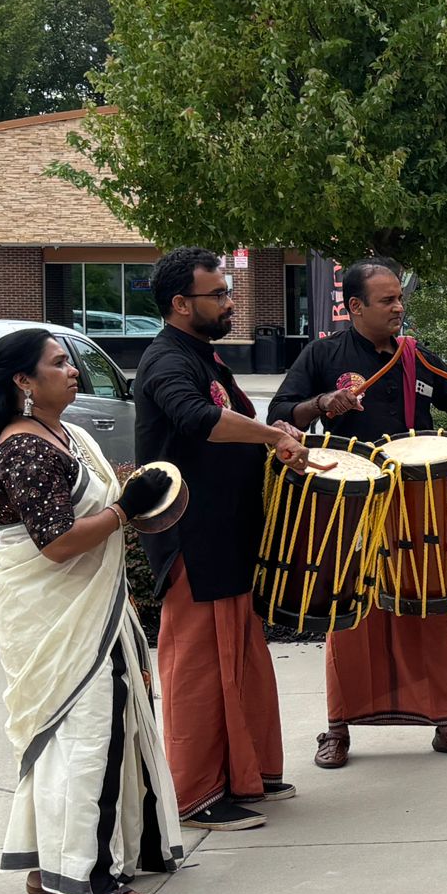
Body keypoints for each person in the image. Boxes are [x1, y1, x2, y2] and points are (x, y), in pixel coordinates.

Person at [0, 329, 186, 894]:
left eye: (70, 361)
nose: (72, 371)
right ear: (23, 380)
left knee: (81, 736)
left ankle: (52, 862)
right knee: (87, 737)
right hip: (52, 613)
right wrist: (124, 510)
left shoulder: (67, 434)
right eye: (58, 363)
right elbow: (58, 545)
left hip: (90, 606)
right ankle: (80, 883)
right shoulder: (25, 449)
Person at [269, 259, 447, 768]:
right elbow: (281, 412)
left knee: (427, 612)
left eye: (400, 298)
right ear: (354, 306)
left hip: (416, 505)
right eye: (387, 300)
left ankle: (446, 723)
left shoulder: (414, 354)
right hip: (352, 505)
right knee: (349, 616)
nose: (398, 308)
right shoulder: (323, 354)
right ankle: (337, 728)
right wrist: (322, 403)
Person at [135, 247, 311, 830]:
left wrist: (271, 431)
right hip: (190, 535)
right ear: (181, 304)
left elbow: (235, 424)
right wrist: (271, 436)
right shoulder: (166, 360)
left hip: (227, 531)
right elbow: (197, 420)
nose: (230, 303)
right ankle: (194, 794)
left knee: (240, 656)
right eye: (219, 295)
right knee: (198, 666)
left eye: (228, 292)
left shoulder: (204, 357)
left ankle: (244, 773)